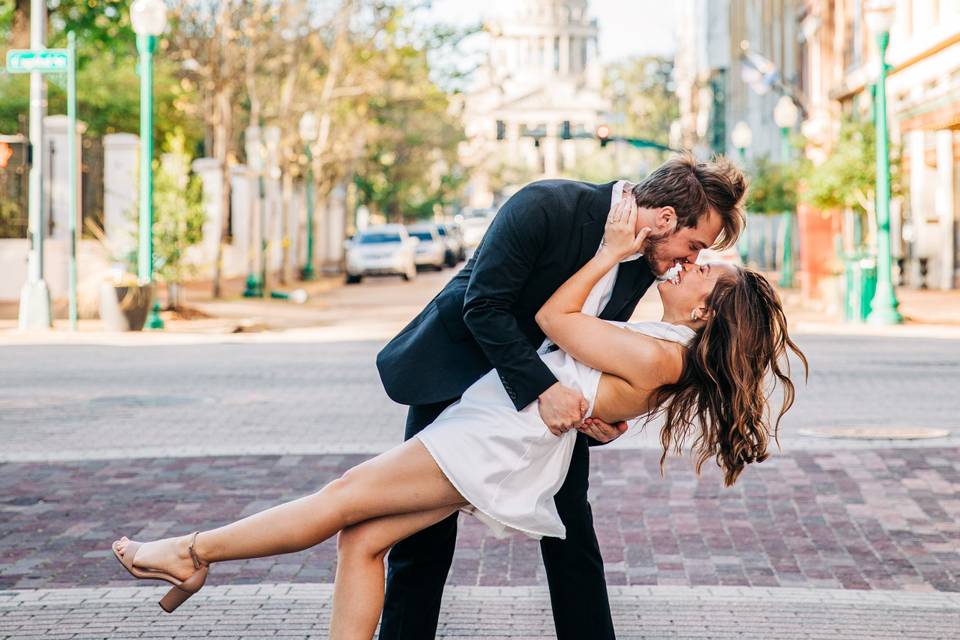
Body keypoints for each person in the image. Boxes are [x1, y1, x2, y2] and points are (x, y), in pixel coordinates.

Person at [111, 193, 807, 640]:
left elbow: (552, 320)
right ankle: (195, 556)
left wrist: (606, 254)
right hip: (501, 430)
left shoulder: (664, 350)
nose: (692, 264)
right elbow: (575, 361)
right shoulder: (661, 337)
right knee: (363, 541)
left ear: (710, 311)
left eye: (704, 269)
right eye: (696, 252)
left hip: (495, 438)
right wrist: (602, 405)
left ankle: (192, 551)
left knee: (340, 499)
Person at [375, 152, 746, 640]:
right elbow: (483, 307)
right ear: (666, 217)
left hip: (549, 404)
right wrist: (545, 390)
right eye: (693, 245)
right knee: (419, 536)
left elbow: (591, 340)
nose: (692, 260)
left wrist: (602, 413)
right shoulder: (546, 205)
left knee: (571, 529)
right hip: (459, 376)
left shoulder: (644, 260)